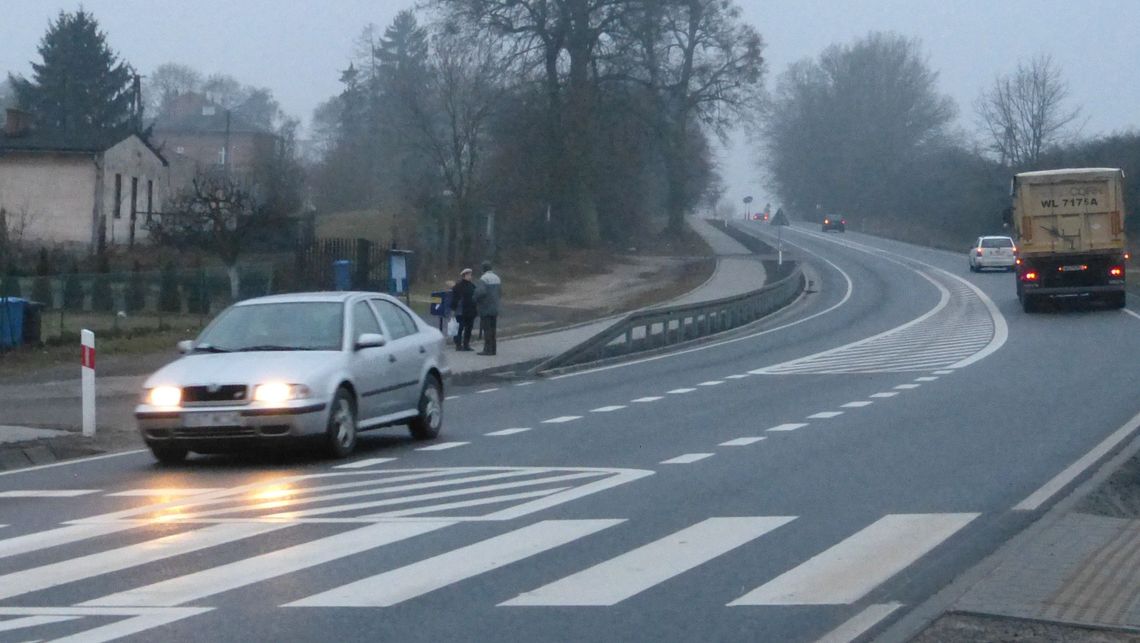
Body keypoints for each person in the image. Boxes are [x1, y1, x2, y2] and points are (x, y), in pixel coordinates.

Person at [473, 260, 501, 356]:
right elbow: (499, 293)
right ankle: (493, 349)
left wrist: (474, 298)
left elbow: (481, 292)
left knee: (487, 329)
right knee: (493, 330)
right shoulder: (497, 278)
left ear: (483, 269)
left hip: (486, 308)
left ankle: (487, 349)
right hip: (495, 307)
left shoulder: (484, 279)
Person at [450, 268, 477, 351]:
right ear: (464, 275)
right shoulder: (458, 286)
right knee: (460, 328)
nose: (470, 276)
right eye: (468, 275)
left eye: (470, 274)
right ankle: (458, 344)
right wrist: (453, 309)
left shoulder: (472, 286)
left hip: (470, 310)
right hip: (461, 311)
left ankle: (466, 344)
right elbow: (455, 298)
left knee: (469, 328)